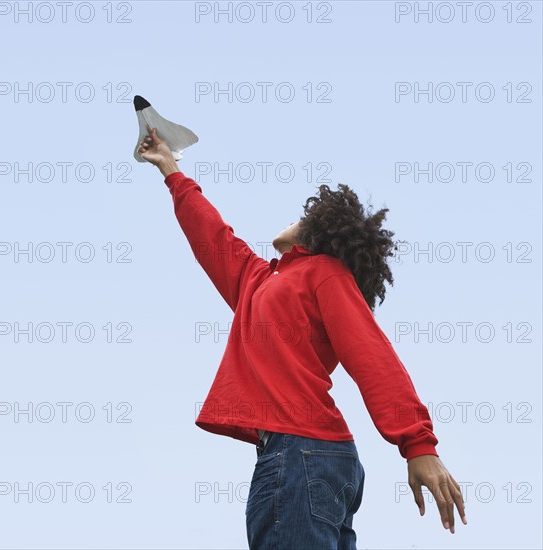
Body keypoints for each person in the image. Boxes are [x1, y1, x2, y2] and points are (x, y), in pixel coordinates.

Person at [137, 127, 467, 549]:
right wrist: (169, 166)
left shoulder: (325, 272)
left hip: (303, 455)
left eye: (301, 218)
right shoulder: (258, 280)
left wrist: (418, 444)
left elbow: (371, 354)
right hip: (299, 457)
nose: (292, 219)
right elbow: (212, 238)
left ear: (319, 234)